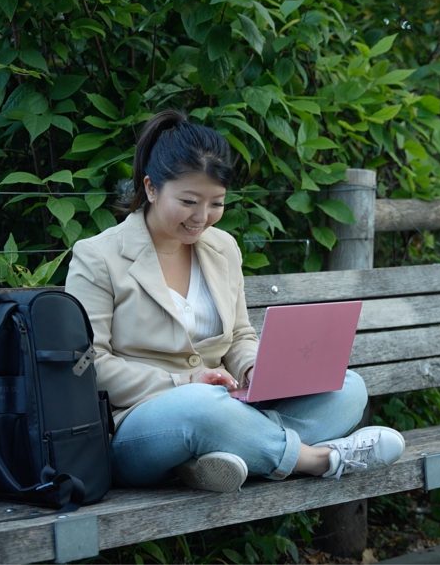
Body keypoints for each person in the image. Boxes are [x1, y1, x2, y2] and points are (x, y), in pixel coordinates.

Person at [65, 110, 405, 493]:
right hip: (139, 423)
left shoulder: (222, 248)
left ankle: (210, 459)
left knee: (348, 387)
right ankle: (319, 459)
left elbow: (240, 333)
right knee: (201, 408)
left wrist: (253, 369)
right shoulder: (98, 256)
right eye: (190, 201)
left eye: (216, 203)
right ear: (151, 187)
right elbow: (87, 363)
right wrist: (182, 382)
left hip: (228, 405)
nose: (202, 217)